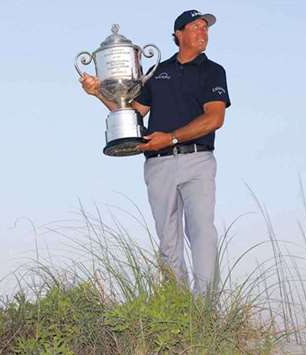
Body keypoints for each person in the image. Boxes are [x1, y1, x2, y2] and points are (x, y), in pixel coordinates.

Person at [80, 9, 231, 294]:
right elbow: (130, 114)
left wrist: (170, 138)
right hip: (157, 164)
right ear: (178, 34)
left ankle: (205, 311)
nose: (203, 32)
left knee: (201, 233)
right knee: (168, 240)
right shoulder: (158, 71)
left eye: (205, 28)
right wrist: (99, 92)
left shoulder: (213, 71)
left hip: (197, 160)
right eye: (196, 27)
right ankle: (177, 305)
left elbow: (215, 118)